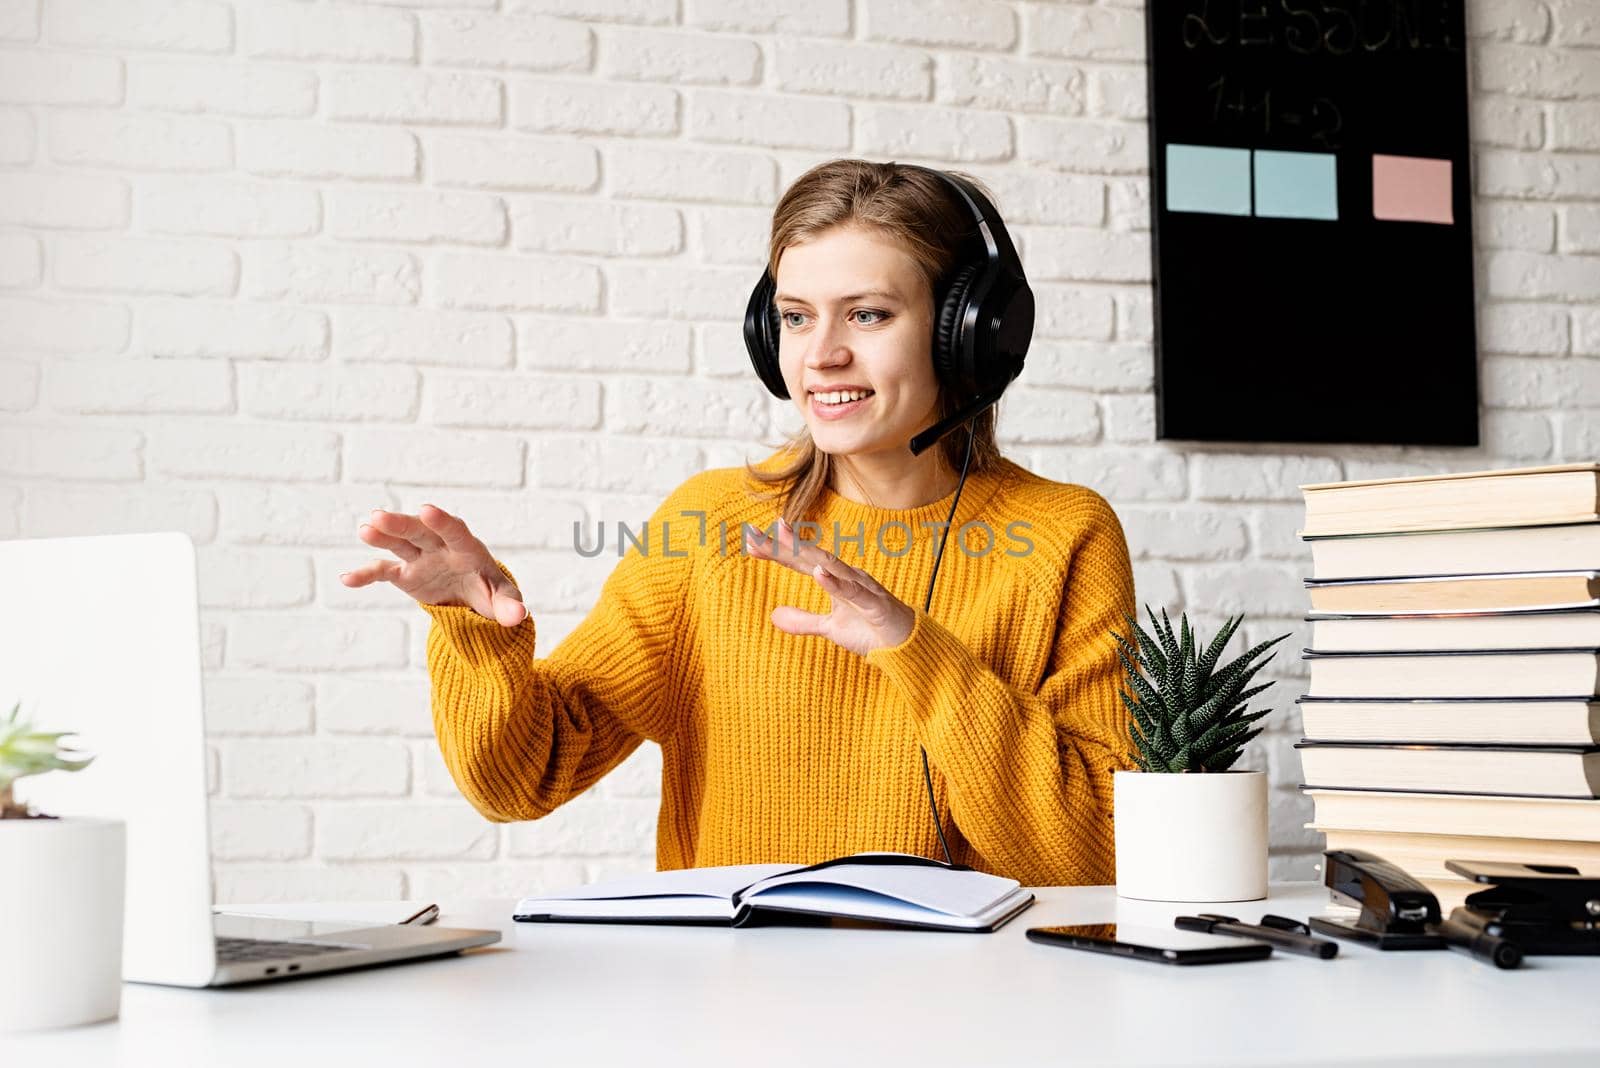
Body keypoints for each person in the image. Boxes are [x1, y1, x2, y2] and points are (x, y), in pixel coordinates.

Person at [340, 159, 1138, 888]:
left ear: (966, 332)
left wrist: (915, 650)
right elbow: (521, 781)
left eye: (866, 315)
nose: (820, 356)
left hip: (982, 1014)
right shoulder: (713, 524)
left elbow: (1094, 857)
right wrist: (472, 623)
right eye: (795, 317)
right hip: (738, 1007)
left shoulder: (1064, 534)